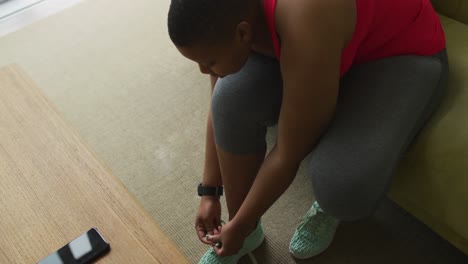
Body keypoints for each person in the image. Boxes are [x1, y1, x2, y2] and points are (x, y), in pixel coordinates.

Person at [167, 0, 448, 263]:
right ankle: (245, 232)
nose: (204, 71)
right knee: (229, 100)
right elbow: (219, 92)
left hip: (396, 52)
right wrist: (210, 192)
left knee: (341, 184)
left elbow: (289, 153)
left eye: (210, 61)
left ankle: (324, 210)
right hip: (327, 38)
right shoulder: (228, 15)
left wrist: (235, 227)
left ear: (243, 33)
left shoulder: (306, 19)